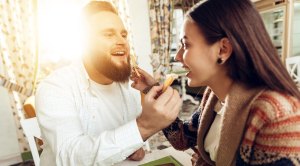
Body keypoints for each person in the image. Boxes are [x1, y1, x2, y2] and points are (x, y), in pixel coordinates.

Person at [131, 0, 300, 165]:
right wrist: (151, 88)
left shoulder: (276, 118)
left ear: (222, 50)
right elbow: (182, 139)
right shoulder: (214, 97)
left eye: (186, 44)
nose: (177, 56)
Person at [35, 1, 182, 165]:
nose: (122, 42)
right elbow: (70, 156)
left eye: (123, 35)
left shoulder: (131, 85)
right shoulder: (55, 87)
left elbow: (132, 144)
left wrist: (135, 147)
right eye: (108, 34)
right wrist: (143, 128)